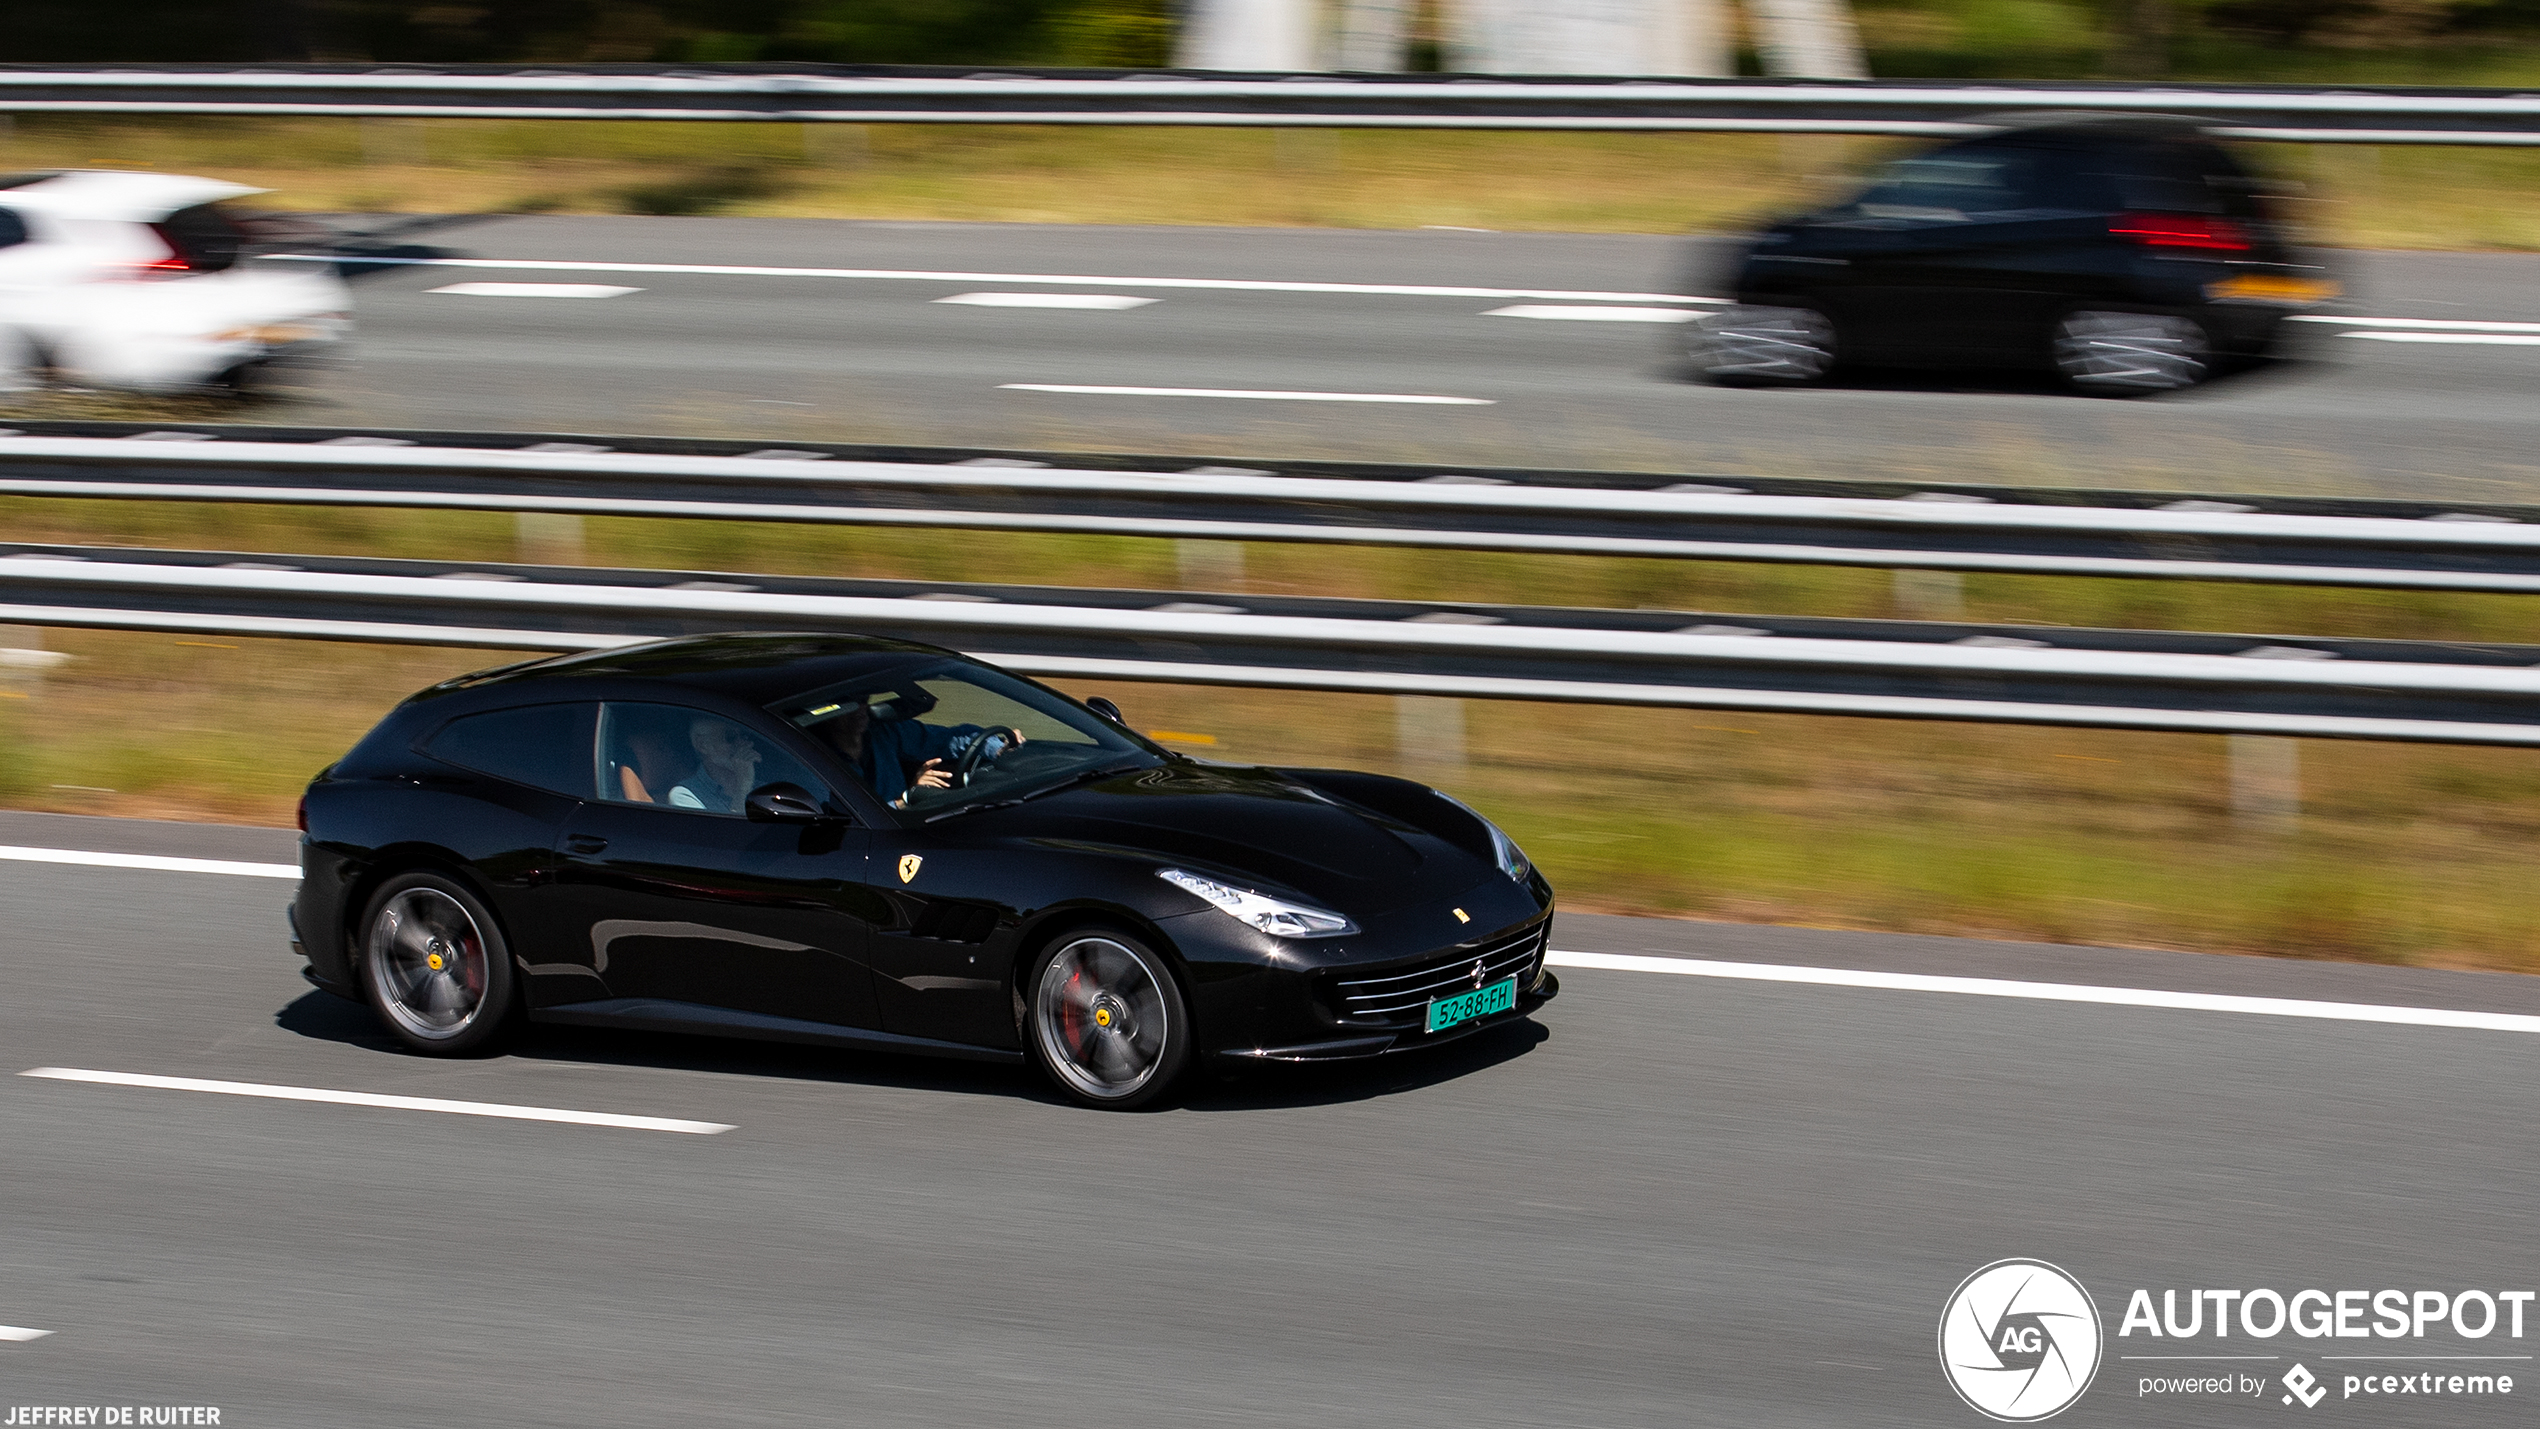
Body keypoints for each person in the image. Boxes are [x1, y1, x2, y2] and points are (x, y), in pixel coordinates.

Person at [812, 694, 1019, 808]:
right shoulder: (814, 758)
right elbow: (849, 820)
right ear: (824, 712)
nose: (860, 709)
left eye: (863, 699)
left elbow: (948, 739)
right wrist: (907, 799)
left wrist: (999, 749)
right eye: (848, 704)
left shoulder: (882, 732)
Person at [665, 716, 762, 814]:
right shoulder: (684, 795)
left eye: (743, 735)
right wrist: (743, 788)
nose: (741, 743)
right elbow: (734, 829)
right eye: (730, 737)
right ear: (702, 745)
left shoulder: (764, 789)